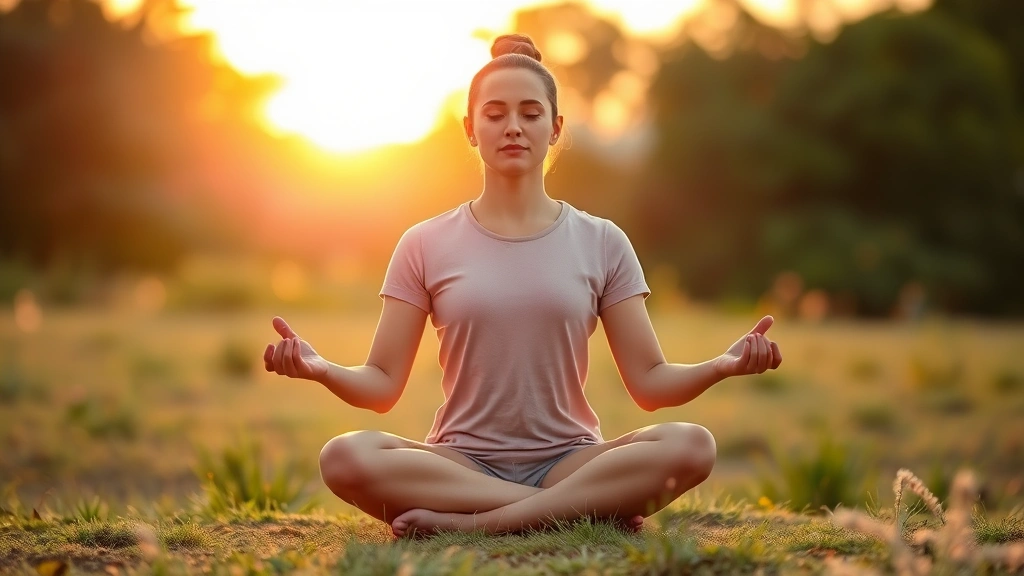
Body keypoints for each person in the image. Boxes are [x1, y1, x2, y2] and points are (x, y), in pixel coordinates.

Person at [264, 33, 782, 538]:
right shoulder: (423, 243)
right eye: (495, 115)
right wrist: (321, 369)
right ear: (470, 128)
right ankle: (584, 511)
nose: (513, 127)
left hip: (572, 460)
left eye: (530, 114)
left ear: (555, 128)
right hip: (460, 466)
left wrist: (722, 365)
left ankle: (483, 523)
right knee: (344, 456)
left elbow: (649, 383)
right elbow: (381, 384)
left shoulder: (602, 241)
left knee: (693, 445)